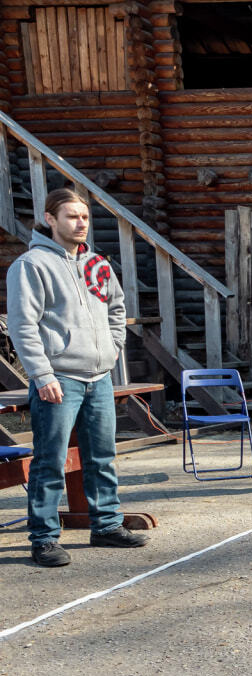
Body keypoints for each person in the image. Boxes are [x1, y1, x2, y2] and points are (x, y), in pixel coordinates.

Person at [6, 187, 149, 567]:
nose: (80, 223)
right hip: (60, 379)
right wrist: (41, 374)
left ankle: (105, 525)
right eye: (72, 216)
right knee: (50, 460)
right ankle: (44, 538)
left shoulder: (96, 263)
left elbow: (117, 307)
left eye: (85, 217)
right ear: (50, 219)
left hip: (99, 376)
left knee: (102, 456)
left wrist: (113, 346)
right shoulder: (32, 264)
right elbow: (23, 326)